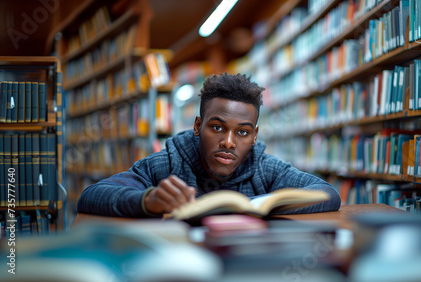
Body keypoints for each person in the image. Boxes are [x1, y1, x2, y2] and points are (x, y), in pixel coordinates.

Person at [77, 73, 341, 217]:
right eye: (217, 128)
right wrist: (148, 200)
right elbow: (92, 196)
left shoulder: (264, 168)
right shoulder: (167, 163)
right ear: (197, 126)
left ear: (255, 136)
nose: (228, 142)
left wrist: (264, 205)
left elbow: (328, 194)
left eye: (243, 132)